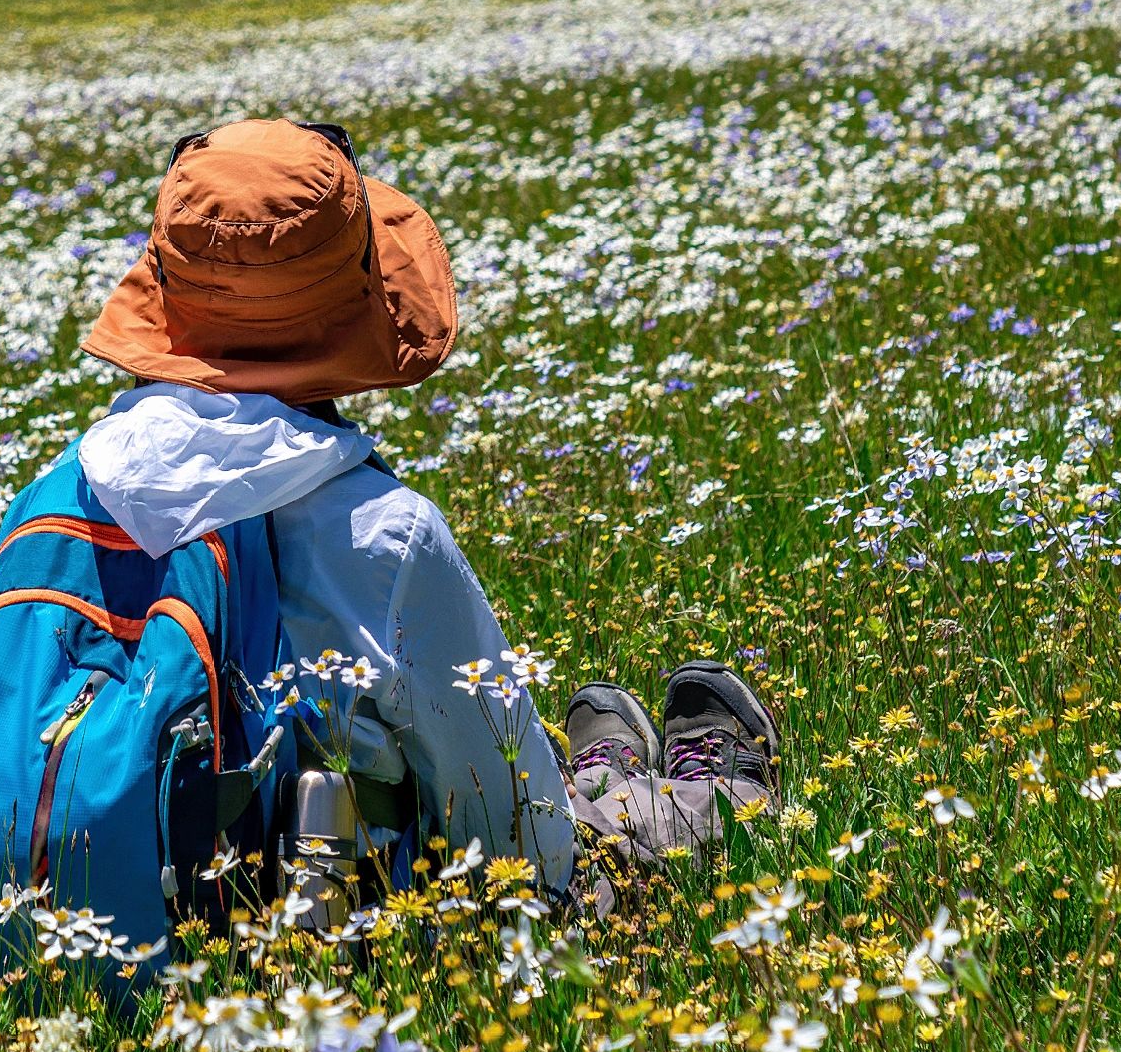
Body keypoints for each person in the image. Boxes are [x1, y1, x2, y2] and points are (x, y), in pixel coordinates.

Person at [78, 116, 780, 902]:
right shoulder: (383, 533)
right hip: (337, 933)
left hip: (98, 919)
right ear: (356, 308)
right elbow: (514, 833)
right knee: (583, 834)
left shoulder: (63, 494)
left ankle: (604, 780)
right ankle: (697, 798)